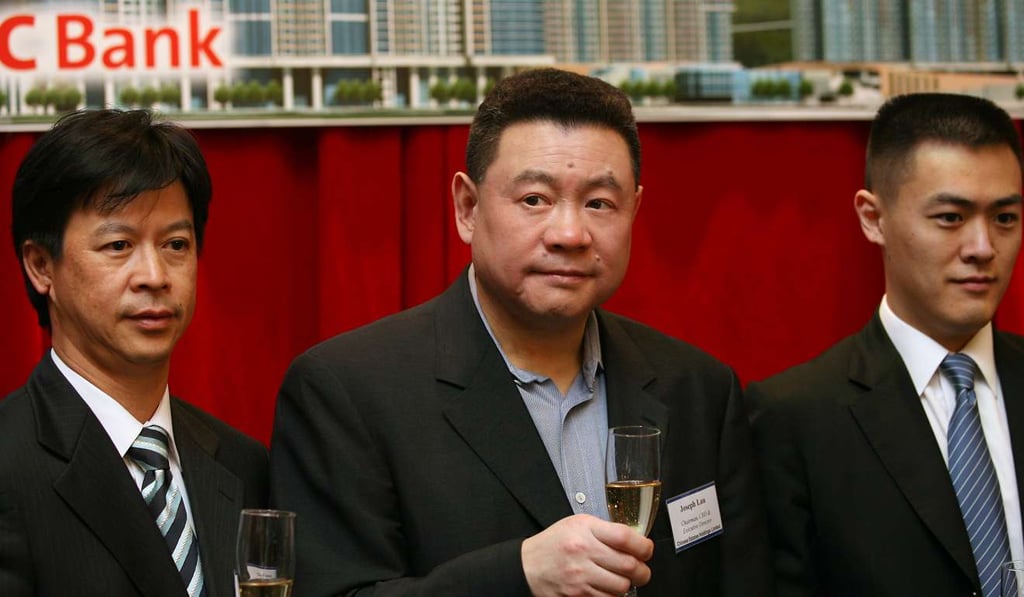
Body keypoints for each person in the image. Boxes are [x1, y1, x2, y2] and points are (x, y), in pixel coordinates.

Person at [270, 68, 772, 596]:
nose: (570, 234)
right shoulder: (348, 391)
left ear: (634, 212)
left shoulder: (698, 390)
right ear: (467, 208)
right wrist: (521, 574)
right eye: (535, 198)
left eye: (599, 203)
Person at [746, 93, 1024, 597]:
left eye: (1004, 218)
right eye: (950, 218)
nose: (983, 247)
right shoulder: (795, 418)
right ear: (873, 218)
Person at [0, 109, 268, 597]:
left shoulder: (243, 463)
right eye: (119, 244)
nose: (155, 275)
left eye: (176, 244)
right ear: (41, 266)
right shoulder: (9, 463)